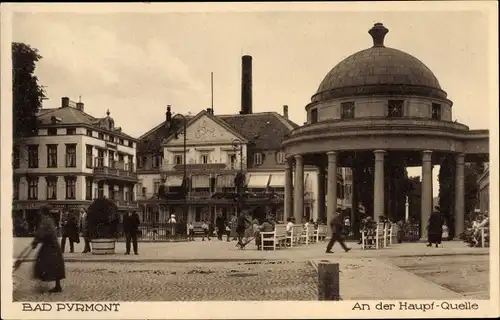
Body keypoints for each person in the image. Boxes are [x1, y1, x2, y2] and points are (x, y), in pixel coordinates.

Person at [32, 206, 66, 293]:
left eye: (41, 212)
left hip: (49, 246)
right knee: (56, 265)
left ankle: (44, 283)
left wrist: (36, 241)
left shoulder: (45, 221)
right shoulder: (50, 220)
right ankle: (57, 285)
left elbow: (42, 232)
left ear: (43, 212)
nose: (40, 214)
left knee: (43, 263)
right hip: (54, 245)